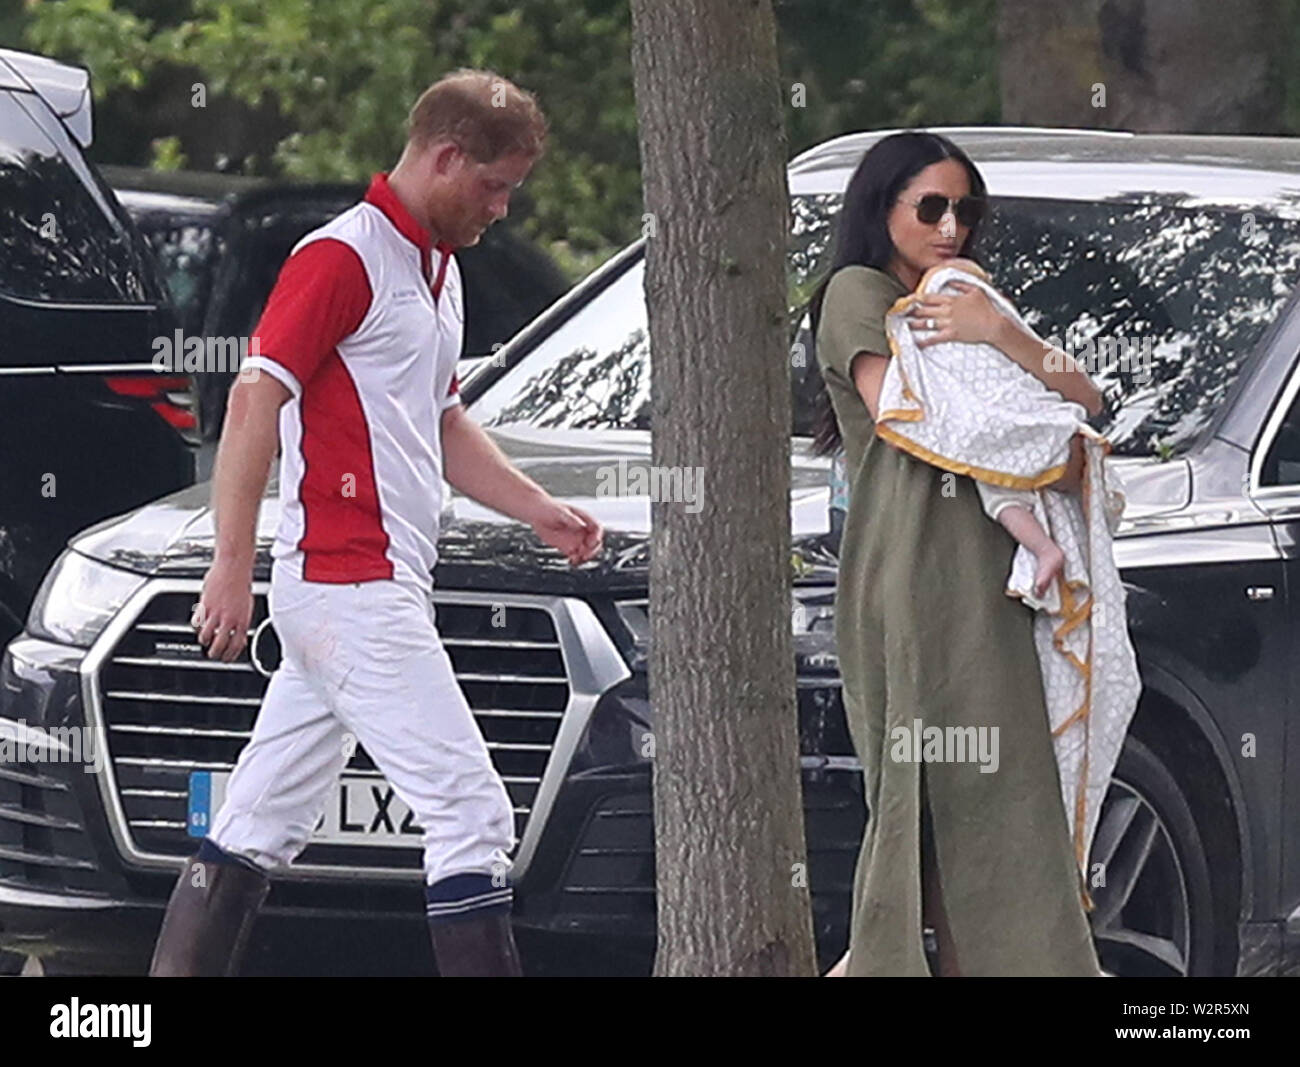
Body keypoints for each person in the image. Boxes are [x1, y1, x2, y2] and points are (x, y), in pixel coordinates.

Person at [149, 69, 604, 978]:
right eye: (494, 185)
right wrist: (229, 567)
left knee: (258, 818)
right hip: (349, 585)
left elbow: (438, 420)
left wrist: (537, 506)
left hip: (365, 584)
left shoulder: (436, 269)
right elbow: (251, 401)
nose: (504, 208)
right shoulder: (342, 256)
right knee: (471, 808)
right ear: (444, 157)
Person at [810, 131, 1106, 977]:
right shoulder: (857, 294)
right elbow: (915, 414)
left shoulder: (967, 297)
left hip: (994, 571)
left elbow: (1087, 393)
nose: (951, 228)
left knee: (999, 794)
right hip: (910, 568)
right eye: (930, 207)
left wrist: (1000, 333)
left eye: (965, 211)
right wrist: (1044, 432)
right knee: (921, 796)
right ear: (882, 207)